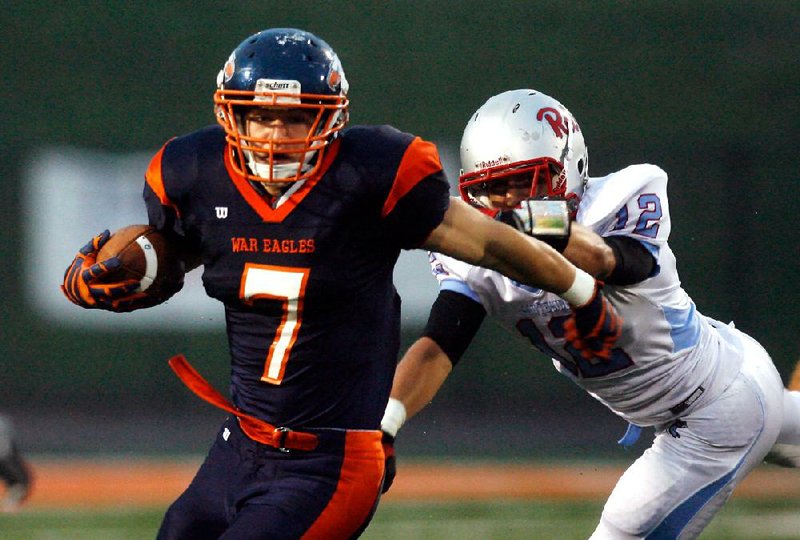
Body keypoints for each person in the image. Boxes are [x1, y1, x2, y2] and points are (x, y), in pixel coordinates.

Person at [60, 31, 622, 539]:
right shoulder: (192, 171)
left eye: (297, 118)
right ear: (233, 116)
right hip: (239, 444)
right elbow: (174, 253)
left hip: (328, 462)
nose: (276, 134)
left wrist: (580, 291)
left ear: (328, 119)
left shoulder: (370, 174)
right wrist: (117, 275)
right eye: (261, 116)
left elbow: (493, 241)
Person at [380, 88, 800, 539]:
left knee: (621, 529)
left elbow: (605, 258)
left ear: (570, 168)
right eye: (490, 189)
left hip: (715, 405)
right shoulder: (480, 261)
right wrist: (386, 423)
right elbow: (439, 345)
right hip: (719, 383)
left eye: (523, 183)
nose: (505, 201)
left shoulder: (620, 199)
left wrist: (514, 224)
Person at [0, 414, 32, 512]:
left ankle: (10, 503)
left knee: (21, 481)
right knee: (21, 481)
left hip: (6, 457)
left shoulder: (3, 422)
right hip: (4, 458)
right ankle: (10, 504)